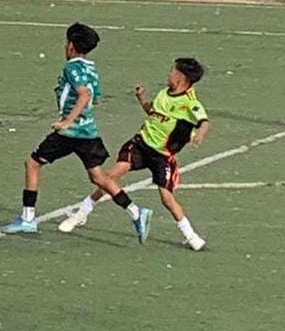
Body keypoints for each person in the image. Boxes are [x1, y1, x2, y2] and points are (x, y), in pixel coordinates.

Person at [1, 23, 153, 242]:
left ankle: (27, 218)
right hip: (88, 133)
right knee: (98, 177)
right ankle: (137, 213)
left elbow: (83, 95)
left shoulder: (72, 67)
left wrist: (67, 121)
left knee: (32, 163)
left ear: (71, 45)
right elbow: (94, 97)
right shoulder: (91, 68)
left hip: (70, 133)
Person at [58, 58, 210, 251]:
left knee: (167, 198)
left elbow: (204, 121)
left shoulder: (190, 103)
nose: (168, 73)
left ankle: (190, 235)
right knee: (109, 177)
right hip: (140, 145)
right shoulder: (164, 93)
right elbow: (153, 112)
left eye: (172, 70)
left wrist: (200, 135)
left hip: (162, 155)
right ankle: (81, 213)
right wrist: (142, 99)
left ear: (182, 77)